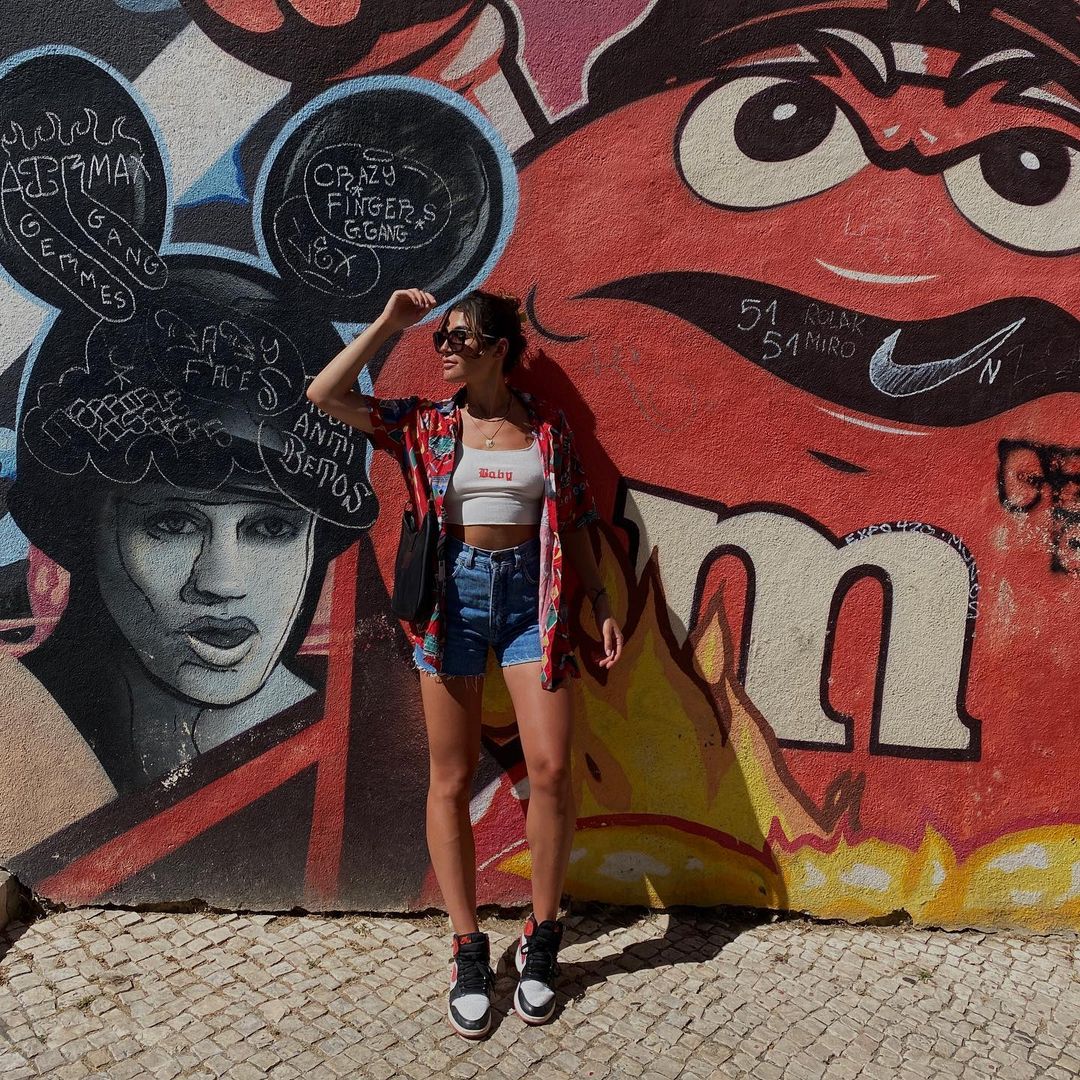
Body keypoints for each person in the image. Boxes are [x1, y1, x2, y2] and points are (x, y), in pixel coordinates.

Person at [307, 287, 624, 1037]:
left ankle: (542, 937)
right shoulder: (424, 423)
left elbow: (577, 516)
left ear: (498, 348)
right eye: (441, 336)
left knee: (551, 770)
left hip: (532, 604)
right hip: (451, 603)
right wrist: (389, 322)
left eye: (459, 337)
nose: (444, 347)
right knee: (449, 779)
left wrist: (601, 599)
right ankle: (467, 945)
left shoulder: (547, 429)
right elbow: (324, 394)